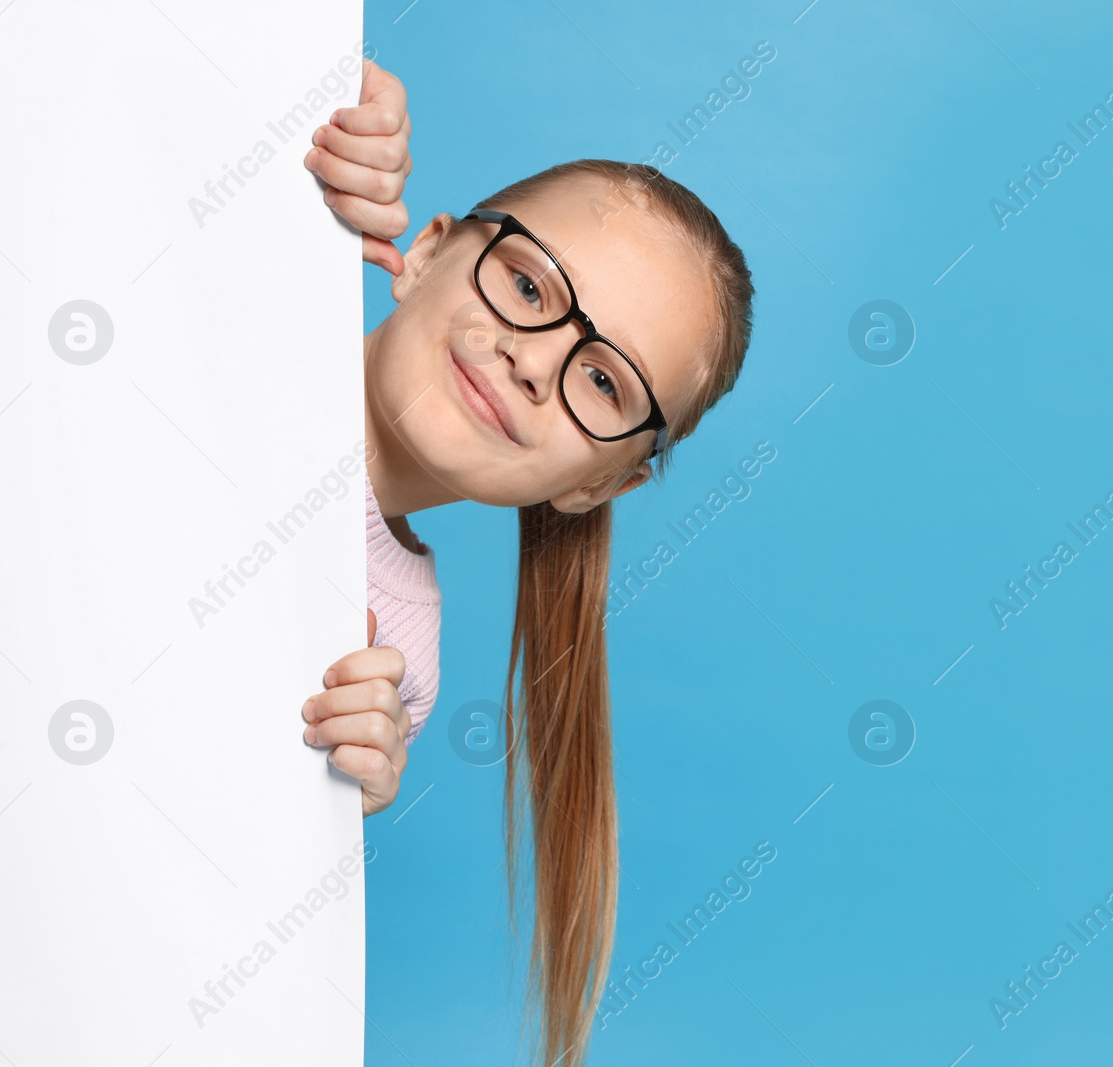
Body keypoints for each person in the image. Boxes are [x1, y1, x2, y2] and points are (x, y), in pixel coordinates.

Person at [303, 57, 756, 1067]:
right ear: (425, 248)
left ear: (599, 484)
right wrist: (318, 91)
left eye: (603, 380)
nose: (533, 357)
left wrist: (343, 781)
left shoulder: (395, 642)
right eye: (525, 284)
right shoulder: (239, 285)